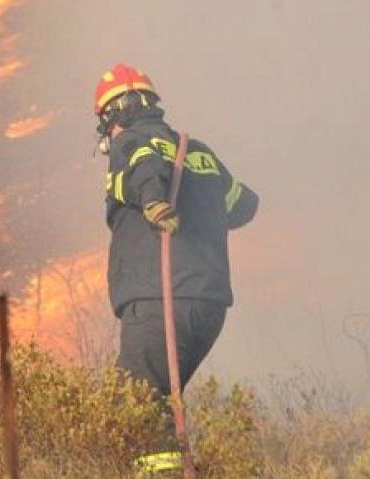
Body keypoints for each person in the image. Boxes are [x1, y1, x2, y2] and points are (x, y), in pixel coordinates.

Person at [93, 63, 259, 474]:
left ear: (111, 117)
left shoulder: (130, 140)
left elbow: (146, 167)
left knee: (134, 401)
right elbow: (243, 205)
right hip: (208, 304)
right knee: (157, 400)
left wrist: (153, 202)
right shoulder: (197, 150)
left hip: (159, 297)